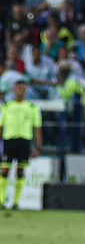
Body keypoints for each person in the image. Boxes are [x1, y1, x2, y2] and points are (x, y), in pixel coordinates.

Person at [0, 81, 42, 209]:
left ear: (26, 91)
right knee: (5, 170)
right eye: (18, 88)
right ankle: (2, 200)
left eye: (22, 88)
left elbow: (37, 128)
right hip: (9, 141)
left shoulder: (32, 107)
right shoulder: (6, 107)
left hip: (24, 141)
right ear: (13, 90)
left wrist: (38, 146)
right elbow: (1, 127)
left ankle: (16, 202)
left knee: (20, 170)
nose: (20, 90)